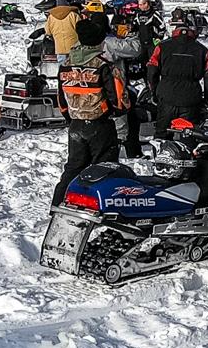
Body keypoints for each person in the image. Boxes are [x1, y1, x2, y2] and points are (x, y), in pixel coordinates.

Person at [52, 13, 125, 204]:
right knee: (105, 167)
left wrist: (70, 116)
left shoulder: (66, 65)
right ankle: (103, 206)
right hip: (100, 123)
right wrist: (115, 112)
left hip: (75, 124)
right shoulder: (103, 66)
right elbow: (118, 99)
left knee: (73, 167)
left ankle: (59, 204)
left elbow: (61, 99)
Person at [147, 9, 208, 130]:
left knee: (162, 133)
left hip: (166, 95)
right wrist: (207, 99)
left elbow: (152, 70)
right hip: (191, 98)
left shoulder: (162, 47)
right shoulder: (202, 50)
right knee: (188, 135)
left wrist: (154, 92)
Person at [104, 16, 150, 158]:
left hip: (99, 86)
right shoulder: (110, 43)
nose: (127, 28)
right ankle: (129, 150)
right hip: (114, 86)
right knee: (128, 116)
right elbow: (135, 48)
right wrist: (133, 35)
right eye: (124, 26)